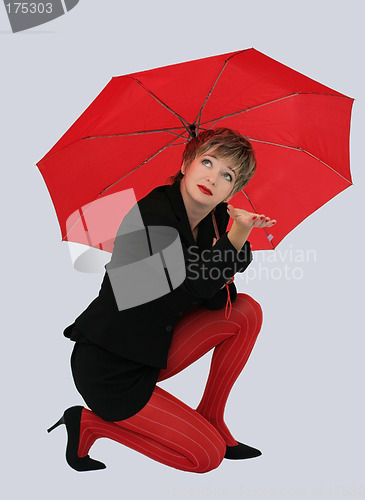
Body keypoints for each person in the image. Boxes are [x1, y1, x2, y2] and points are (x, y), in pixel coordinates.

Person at [47, 127, 277, 473]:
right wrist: (237, 236)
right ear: (186, 163)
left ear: (234, 189)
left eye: (227, 175)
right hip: (110, 369)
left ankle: (212, 415)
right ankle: (91, 424)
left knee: (246, 311)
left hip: (153, 345)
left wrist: (228, 244)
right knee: (206, 457)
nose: (212, 178)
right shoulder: (153, 216)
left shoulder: (214, 217)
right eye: (207, 162)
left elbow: (230, 275)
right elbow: (200, 286)